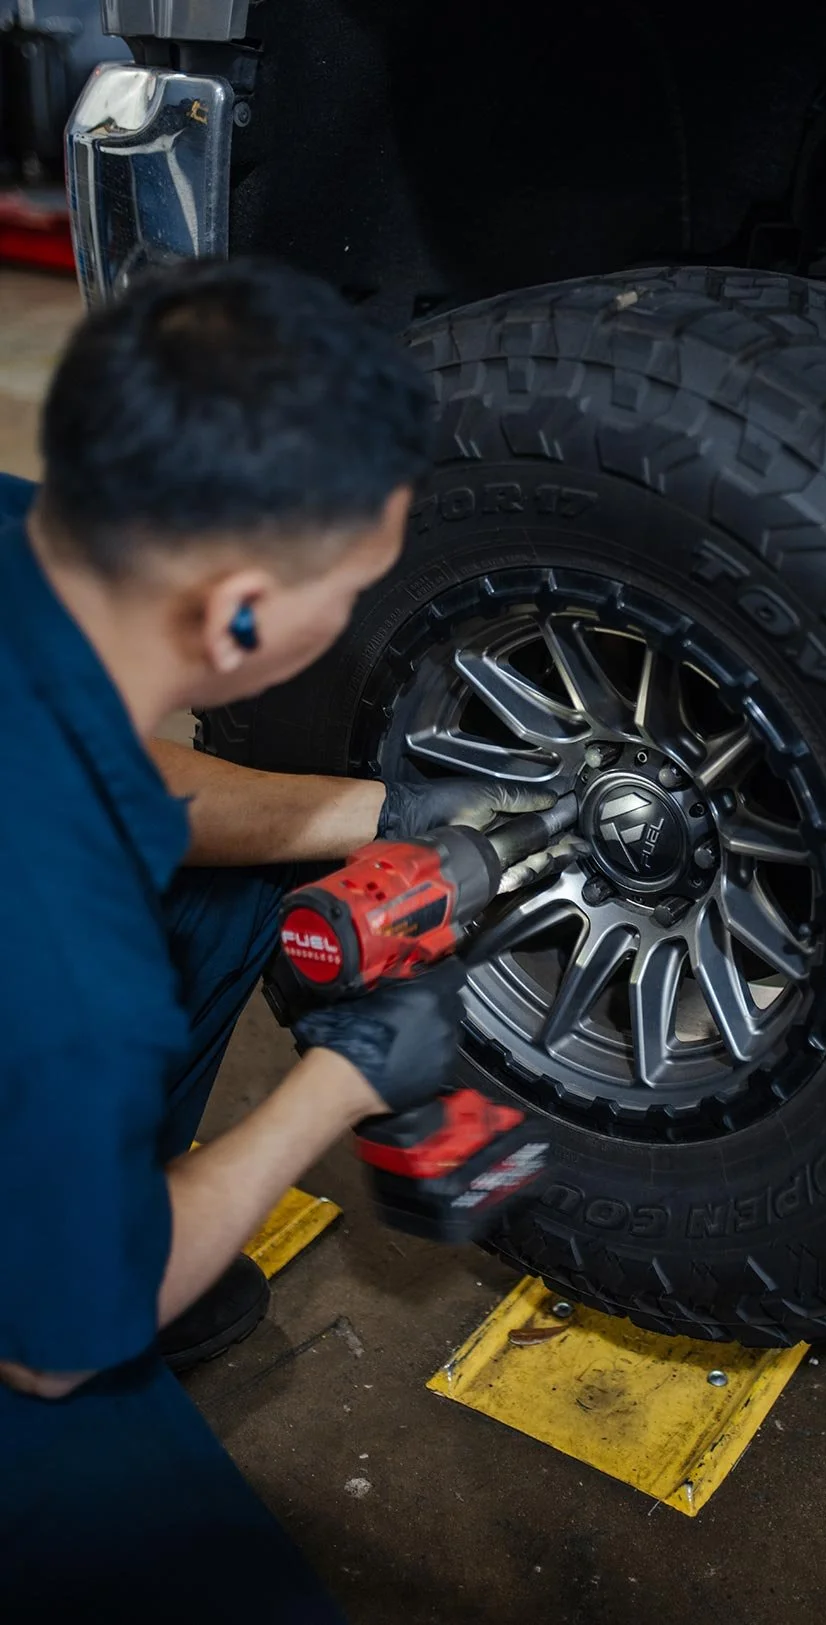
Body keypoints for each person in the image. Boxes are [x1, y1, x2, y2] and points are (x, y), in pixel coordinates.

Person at [0, 259, 551, 1622]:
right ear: (238, 610)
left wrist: (386, 813)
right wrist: (343, 1080)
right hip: (30, 1343)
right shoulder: (80, 978)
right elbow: (47, 1365)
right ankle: (86, 1241)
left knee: (241, 885)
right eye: (347, 588)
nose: (348, 617)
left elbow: (131, 784)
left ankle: (77, 1206)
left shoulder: (36, 540)